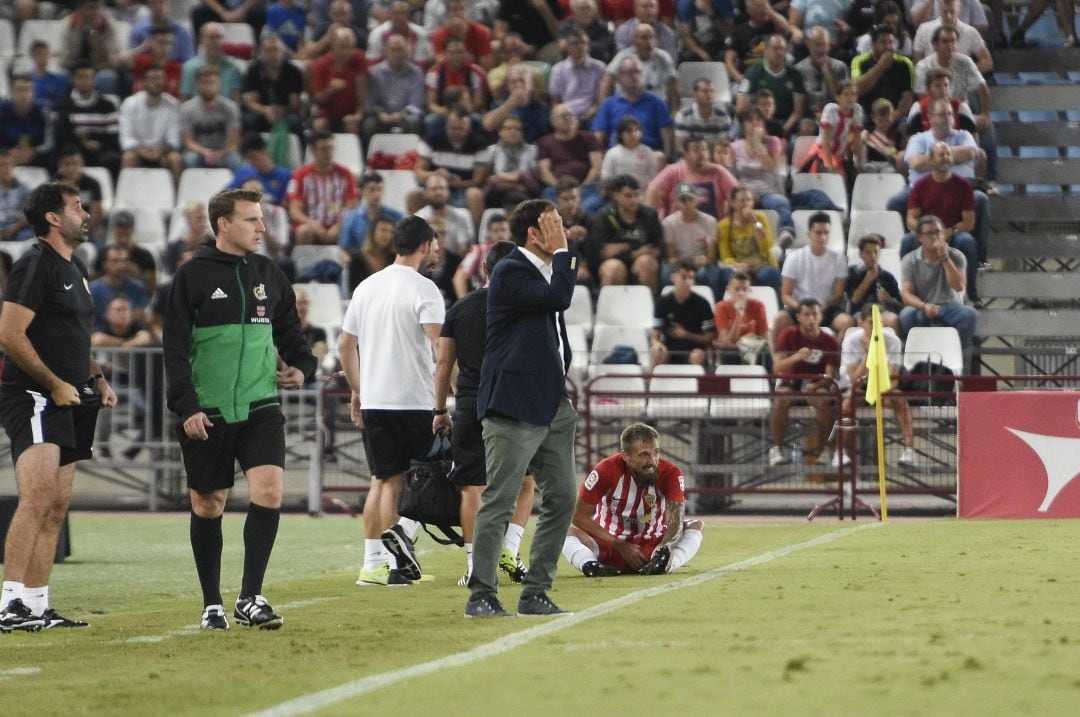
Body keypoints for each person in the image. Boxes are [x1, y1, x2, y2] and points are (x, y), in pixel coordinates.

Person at [163, 188, 316, 631]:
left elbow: (289, 331)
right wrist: (186, 406)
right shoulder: (191, 277)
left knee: (269, 491)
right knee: (209, 503)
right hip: (206, 410)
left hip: (260, 404)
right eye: (251, 220)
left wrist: (303, 367)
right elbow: (173, 350)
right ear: (223, 225)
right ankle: (212, 603)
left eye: (261, 219)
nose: (262, 228)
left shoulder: (269, 272)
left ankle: (251, 596)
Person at [0, 180, 117, 631]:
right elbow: (10, 334)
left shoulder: (77, 265)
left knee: (56, 504)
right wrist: (53, 384)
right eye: (76, 207)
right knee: (37, 497)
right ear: (53, 217)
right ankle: (9, 602)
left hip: (71, 396)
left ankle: (35, 604)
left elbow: (73, 335)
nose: (86, 213)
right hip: (32, 394)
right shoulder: (34, 265)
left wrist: (95, 378)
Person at [466, 199, 578, 618]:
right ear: (534, 233)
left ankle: (535, 592)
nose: (562, 229)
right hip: (513, 403)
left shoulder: (544, 272)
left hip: (552, 402)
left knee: (564, 497)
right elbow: (559, 299)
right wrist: (564, 251)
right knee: (501, 499)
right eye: (555, 223)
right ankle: (480, 594)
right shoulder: (511, 270)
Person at [338, 215, 444, 587]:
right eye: (434, 244)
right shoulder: (423, 288)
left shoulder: (368, 285)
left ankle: (373, 565)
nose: (437, 251)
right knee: (410, 482)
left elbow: (346, 344)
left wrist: (357, 389)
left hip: (375, 398)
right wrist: (450, 391)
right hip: (412, 399)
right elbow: (439, 344)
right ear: (423, 245)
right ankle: (396, 561)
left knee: (381, 481)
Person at [434, 239, 537, 585]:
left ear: (485, 270)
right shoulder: (523, 309)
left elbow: (444, 363)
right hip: (511, 404)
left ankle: (475, 566)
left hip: (468, 403)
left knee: (472, 487)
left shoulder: (461, 308)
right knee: (525, 481)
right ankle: (509, 547)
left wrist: (440, 409)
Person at [562, 423, 704, 576]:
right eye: (644, 454)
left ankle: (664, 564)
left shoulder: (671, 473)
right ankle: (589, 565)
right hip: (609, 545)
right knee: (563, 532)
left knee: (695, 525)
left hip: (652, 547)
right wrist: (619, 545)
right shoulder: (605, 470)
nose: (652, 461)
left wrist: (663, 547)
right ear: (625, 456)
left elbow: (675, 520)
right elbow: (577, 516)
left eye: (656, 452)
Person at [835, 303, 915, 467]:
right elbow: (854, 379)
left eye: (880, 323)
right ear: (861, 323)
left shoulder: (893, 341)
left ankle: (909, 451)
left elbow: (893, 380)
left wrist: (877, 392)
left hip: (883, 388)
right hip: (858, 388)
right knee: (847, 403)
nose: (876, 327)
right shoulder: (850, 341)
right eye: (872, 322)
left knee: (899, 398)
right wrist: (868, 353)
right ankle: (840, 452)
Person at [900, 142, 980, 300]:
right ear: (930, 161)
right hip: (927, 233)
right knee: (907, 241)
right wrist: (928, 234)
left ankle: (970, 294)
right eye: (941, 154)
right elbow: (911, 220)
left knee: (967, 242)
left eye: (948, 154)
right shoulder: (920, 186)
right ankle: (907, 293)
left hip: (953, 233)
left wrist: (950, 232)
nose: (945, 158)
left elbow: (969, 222)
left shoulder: (963, 185)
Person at [769, 298, 840, 467]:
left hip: (817, 383)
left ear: (820, 316)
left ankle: (825, 449)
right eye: (806, 314)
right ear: (799, 317)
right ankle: (776, 449)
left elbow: (829, 376)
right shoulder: (788, 335)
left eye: (814, 314)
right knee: (781, 399)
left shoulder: (830, 341)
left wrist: (815, 386)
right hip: (791, 381)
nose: (811, 318)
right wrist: (796, 357)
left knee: (824, 400)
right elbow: (777, 368)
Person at [899, 214, 978, 349]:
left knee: (970, 315)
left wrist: (945, 257)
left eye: (939, 232)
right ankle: (920, 356)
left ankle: (954, 355)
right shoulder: (909, 259)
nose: (936, 237)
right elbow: (906, 294)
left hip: (950, 305)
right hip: (923, 305)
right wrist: (924, 306)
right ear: (920, 237)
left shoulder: (957, 256)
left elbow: (959, 286)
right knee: (906, 315)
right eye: (930, 233)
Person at [774, 211, 853, 344]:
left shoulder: (838, 258)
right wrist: (801, 307)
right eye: (818, 232)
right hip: (799, 307)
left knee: (848, 322)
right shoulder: (794, 258)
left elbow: (838, 293)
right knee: (779, 320)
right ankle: (780, 359)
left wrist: (826, 304)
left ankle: (833, 356)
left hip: (826, 307)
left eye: (826, 233)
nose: (822, 237)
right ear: (809, 233)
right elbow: (785, 295)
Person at [588, 174, 663, 292]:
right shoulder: (603, 217)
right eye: (628, 196)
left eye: (636, 195)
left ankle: (650, 307)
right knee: (613, 268)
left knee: (647, 263)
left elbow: (656, 248)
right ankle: (609, 309)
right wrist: (636, 250)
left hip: (641, 261)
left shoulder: (650, 215)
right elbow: (599, 254)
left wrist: (623, 247)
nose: (633, 200)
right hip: (612, 264)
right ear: (615, 195)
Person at [286, 130, 359, 246]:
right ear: (313, 151)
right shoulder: (300, 175)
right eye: (323, 149)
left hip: (338, 225)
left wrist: (338, 226)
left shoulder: (346, 174)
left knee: (353, 228)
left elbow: (353, 207)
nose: (328, 153)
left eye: (330, 148)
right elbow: (294, 211)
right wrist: (313, 224)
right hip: (311, 225)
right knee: (304, 231)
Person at [591, 55, 674, 158]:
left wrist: (667, 159)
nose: (634, 76)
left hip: (649, 156)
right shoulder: (608, 105)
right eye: (629, 72)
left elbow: (667, 135)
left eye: (638, 72)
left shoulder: (657, 103)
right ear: (619, 77)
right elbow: (598, 135)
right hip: (617, 156)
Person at [644, 134, 738, 220]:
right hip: (677, 231)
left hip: (713, 230)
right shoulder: (673, 171)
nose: (702, 153)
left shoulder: (718, 172)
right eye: (696, 149)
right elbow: (651, 194)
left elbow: (738, 195)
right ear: (685, 153)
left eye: (704, 149)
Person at [118, 65, 184, 184]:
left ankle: (177, 198)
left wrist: (161, 151)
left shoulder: (173, 104)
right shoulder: (130, 103)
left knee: (176, 158)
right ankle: (124, 195)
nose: (157, 82)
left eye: (160, 78)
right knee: (128, 157)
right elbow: (126, 137)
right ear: (144, 82)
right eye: (153, 79)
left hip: (163, 152)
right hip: (137, 151)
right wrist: (140, 151)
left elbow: (174, 139)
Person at [735, 34, 806, 137]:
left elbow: (798, 111)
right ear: (766, 50)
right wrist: (758, 128)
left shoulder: (795, 75)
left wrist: (781, 130)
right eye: (775, 49)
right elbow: (741, 108)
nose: (779, 52)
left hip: (785, 122)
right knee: (736, 129)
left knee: (796, 139)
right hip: (758, 122)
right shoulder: (752, 73)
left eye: (782, 49)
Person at [537, 104, 604, 212]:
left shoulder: (589, 137)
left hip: (586, 187)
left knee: (588, 206)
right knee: (551, 207)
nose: (569, 118)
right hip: (556, 189)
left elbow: (596, 167)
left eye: (571, 115)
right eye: (564, 116)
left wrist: (583, 186)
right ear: (553, 122)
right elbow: (544, 171)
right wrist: (560, 188)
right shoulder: (545, 142)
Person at [717, 185, 781, 294]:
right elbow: (725, 256)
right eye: (742, 200)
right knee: (727, 275)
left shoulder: (760, 218)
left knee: (770, 274)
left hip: (761, 264)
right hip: (738, 266)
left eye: (749, 200)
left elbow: (767, 245)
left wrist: (755, 223)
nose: (746, 204)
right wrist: (737, 265)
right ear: (732, 203)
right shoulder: (724, 225)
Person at [660, 180, 721, 296]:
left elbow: (711, 257)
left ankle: (715, 306)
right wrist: (684, 264)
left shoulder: (710, 221)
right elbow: (671, 256)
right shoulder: (668, 223)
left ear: (697, 200)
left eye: (690, 199)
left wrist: (705, 260)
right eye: (682, 200)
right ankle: (667, 303)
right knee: (665, 273)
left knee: (711, 273)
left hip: (702, 263)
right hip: (679, 262)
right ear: (676, 202)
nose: (686, 203)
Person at [362, 34, 427, 141]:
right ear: (386, 52)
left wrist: (402, 114)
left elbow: (417, 102)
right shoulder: (374, 72)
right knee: (369, 124)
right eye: (393, 50)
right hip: (382, 116)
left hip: (407, 115)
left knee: (414, 121)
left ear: (407, 52)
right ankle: (372, 156)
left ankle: (411, 155)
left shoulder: (416, 73)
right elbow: (370, 101)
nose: (397, 54)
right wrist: (381, 114)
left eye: (400, 50)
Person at [650, 262, 716, 366]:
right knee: (656, 353)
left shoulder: (702, 303)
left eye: (691, 278)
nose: (687, 281)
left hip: (694, 348)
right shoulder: (662, 302)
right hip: (669, 347)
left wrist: (686, 334)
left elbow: (709, 338)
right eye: (684, 277)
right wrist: (656, 343)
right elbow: (655, 334)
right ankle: (651, 382)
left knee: (698, 356)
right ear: (673, 277)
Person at [180, 66, 243, 172]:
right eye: (204, 83)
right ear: (197, 85)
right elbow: (188, 141)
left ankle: (235, 188)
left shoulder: (231, 107)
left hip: (224, 151)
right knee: (190, 159)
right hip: (198, 151)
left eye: (212, 82)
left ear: (219, 85)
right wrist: (205, 152)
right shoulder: (186, 108)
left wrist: (220, 154)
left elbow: (233, 142)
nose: (208, 86)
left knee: (235, 161)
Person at [308, 27, 368, 135]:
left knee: (352, 124)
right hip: (327, 113)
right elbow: (317, 100)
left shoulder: (359, 58)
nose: (346, 52)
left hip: (351, 112)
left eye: (350, 47)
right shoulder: (320, 65)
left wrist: (358, 115)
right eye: (341, 47)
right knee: (319, 125)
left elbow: (362, 94)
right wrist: (329, 90)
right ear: (333, 46)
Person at [850, 25, 914, 125]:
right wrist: (881, 66)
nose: (888, 47)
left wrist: (890, 118)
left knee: (907, 125)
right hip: (867, 114)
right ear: (873, 45)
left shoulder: (904, 63)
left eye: (891, 42)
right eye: (883, 42)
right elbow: (857, 89)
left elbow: (907, 98)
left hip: (895, 115)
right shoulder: (860, 61)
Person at [548, 28, 607, 124]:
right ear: (567, 47)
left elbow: (600, 101)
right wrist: (566, 116)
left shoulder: (600, 68)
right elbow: (555, 102)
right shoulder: (557, 70)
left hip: (591, 115)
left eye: (583, 43)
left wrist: (588, 115)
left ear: (588, 45)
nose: (580, 47)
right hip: (566, 115)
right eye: (575, 44)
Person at [339, 172, 405, 256]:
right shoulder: (352, 218)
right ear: (361, 191)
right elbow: (344, 250)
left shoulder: (397, 216)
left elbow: (405, 245)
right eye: (372, 190)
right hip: (361, 264)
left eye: (379, 189)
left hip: (390, 263)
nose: (377, 194)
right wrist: (354, 265)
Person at [713, 271, 770, 367]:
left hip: (752, 347)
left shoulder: (758, 306)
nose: (741, 293)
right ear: (728, 289)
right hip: (736, 350)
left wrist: (737, 346)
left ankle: (768, 381)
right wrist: (738, 316)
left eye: (745, 289)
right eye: (737, 289)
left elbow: (765, 339)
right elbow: (727, 339)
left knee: (765, 354)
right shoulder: (721, 307)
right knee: (729, 354)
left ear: (749, 290)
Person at [846, 234, 901, 330]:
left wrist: (889, 299)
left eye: (876, 252)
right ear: (861, 254)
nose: (873, 256)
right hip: (861, 312)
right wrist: (868, 279)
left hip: (883, 311)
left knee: (893, 320)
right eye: (868, 252)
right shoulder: (852, 273)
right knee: (864, 322)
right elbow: (854, 300)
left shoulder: (887, 276)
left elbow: (900, 303)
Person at [89, 246, 150, 325]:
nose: (121, 266)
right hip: (100, 333)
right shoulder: (93, 289)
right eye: (115, 261)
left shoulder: (138, 287)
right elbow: (89, 321)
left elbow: (141, 317)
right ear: (105, 265)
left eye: (124, 261)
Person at [600, 115, 664, 189]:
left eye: (636, 130)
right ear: (620, 134)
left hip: (642, 195)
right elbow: (606, 178)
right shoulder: (612, 153)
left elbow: (653, 177)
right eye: (629, 131)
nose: (633, 134)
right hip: (619, 195)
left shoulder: (646, 151)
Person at [672, 78, 733, 154]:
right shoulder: (683, 116)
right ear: (695, 95)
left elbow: (724, 145)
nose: (709, 94)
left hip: (715, 158)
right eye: (705, 91)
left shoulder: (723, 117)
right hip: (690, 159)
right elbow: (680, 146)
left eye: (712, 91)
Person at [0, 149, 34, 242]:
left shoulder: (25, 189)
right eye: (0, 165)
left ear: (13, 165)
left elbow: (31, 215)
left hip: (18, 229)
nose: (4, 168)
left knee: (27, 236)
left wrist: (13, 229)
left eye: (6, 164)